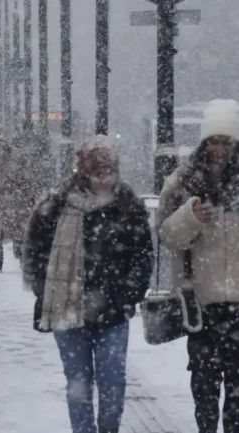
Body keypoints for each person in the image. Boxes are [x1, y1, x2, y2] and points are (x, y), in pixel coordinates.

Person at [23, 135, 153, 433]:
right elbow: (35, 250)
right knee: (78, 384)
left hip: (113, 312)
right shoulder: (56, 205)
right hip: (67, 309)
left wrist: (128, 294)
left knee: (112, 383)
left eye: (109, 172)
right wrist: (45, 289)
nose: (104, 180)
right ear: (84, 173)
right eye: (97, 173)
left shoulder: (127, 205)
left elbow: (143, 255)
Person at [156, 99, 239, 433]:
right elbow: (166, 234)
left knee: (236, 385)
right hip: (200, 300)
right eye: (214, 141)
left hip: (237, 300)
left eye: (226, 141)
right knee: (204, 382)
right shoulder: (182, 181)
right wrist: (190, 217)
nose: (219, 149)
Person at [0, 130, 39, 272]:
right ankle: (20, 261)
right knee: (18, 232)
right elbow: (29, 181)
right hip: (16, 202)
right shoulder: (21, 157)